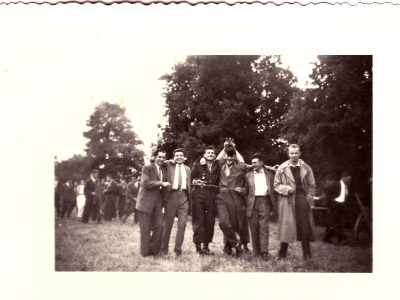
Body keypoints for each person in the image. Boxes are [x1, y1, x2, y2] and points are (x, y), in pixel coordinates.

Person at [274, 144, 316, 260]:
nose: (293, 156)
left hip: (302, 199)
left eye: (296, 153)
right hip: (287, 199)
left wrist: (309, 197)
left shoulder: (306, 168)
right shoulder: (282, 168)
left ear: (300, 153)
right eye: (291, 153)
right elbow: (276, 185)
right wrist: (286, 189)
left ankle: (307, 254)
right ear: (288, 154)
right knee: (286, 226)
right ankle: (282, 254)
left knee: (304, 226)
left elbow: (312, 185)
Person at [214, 145, 249, 256]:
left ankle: (228, 247)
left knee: (233, 223)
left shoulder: (240, 167)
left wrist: (235, 149)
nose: (228, 158)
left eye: (231, 156)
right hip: (222, 196)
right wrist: (224, 149)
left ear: (235, 156)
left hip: (235, 197)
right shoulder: (219, 165)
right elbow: (217, 159)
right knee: (223, 222)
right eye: (227, 156)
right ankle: (236, 242)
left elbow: (255, 165)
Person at [136, 150, 170, 257]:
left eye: (163, 157)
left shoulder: (164, 169)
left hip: (157, 202)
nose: (161, 159)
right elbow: (145, 183)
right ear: (154, 157)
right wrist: (162, 183)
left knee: (160, 225)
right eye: (159, 157)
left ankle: (155, 250)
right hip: (145, 202)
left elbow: (170, 162)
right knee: (145, 228)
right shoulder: (147, 168)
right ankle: (145, 252)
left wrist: (171, 160)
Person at [244, 153, 278, 261]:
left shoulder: (270, 175)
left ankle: (264, 252)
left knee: (264, 227)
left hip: (264, 202)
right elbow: (246, 190)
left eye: (255, 162)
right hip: (252, 203)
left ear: (261, 163)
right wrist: (241, 190)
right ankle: (256, 252)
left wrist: (273, 207)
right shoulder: (247, 175)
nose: (253, 164)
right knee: (254, 228)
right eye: (252, 162)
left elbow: (274, 190)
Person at [161, 148, 191, 257]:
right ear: (174, 157)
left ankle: (178, 249)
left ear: (184, 157)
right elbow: (160, 162)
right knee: (168, 224)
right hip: (171, 196)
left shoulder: (188, 169)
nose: (179, 157)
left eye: (181, 155)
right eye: (177, 155)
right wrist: (169, 160)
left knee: (182, 224)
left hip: (184, 196)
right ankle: (163, 249)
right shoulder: (169, 165)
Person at [191, 146, 220, 255]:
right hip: (198, 195)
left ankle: (206, 246)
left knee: (209, 221)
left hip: (211, 196)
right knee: (199, 221)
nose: (210, 154)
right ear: (204, 155)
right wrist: (195, 181)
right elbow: (190, 177)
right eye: (208, 153)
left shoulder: (218, 165)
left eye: (212, 153)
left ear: (215, 155)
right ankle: (198, 247)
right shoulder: (198, 164)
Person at [318, 172, 352, 245]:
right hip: (334, 206)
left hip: (340, 207)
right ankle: (342, 239)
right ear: (344, 177)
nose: (349, 181)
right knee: (336, 223)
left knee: (332, 223)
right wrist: (330, 199)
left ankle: (326, 238)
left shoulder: (346, 187)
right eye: (348, 179)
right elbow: (326, 189)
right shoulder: (336, 184)